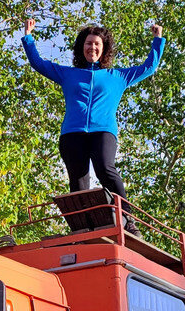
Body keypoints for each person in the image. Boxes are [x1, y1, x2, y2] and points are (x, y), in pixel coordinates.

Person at [22, 18, 165, 220]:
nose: (92, 47)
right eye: (88, 43)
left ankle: (127, 219)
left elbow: (149, 67)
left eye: (97, 44)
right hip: (72, 134)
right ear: (82, 48)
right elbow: (38, 63)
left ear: (103, 49)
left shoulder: (118, 76)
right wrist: (28, 36)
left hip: (103, 131)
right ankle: (83, 226)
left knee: (106, 169)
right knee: (79, 181)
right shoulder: (68, 74)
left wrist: (157, 39)